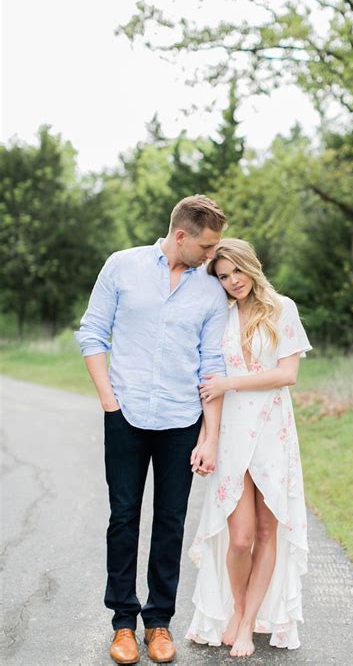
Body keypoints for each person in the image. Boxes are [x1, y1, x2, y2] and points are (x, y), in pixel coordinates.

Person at [74, 195, 228, 665]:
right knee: (123, 517)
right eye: (206, 246)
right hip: (126, 414)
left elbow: (212, 364)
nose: (212, 255)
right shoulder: (122, 266)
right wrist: (109, 401)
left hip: (182, 419)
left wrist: (210, 437)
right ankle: (123, 622)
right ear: (181, 236)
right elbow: (92, 332)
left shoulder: (211, 291)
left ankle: (159, 621)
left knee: (170, 521)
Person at [185, 238, 312, 658]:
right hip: (232, 433)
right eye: (223, 276)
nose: (232, 281)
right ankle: (239, 609)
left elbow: (287, 374)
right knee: (239, 538)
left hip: (273, 430)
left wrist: (230, 382)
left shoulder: (281, 308)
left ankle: (248, 621)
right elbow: (209, 383)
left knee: (265, 531)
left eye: (237, 270)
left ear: (251, 266)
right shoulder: (220, 316)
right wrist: (207, 438)